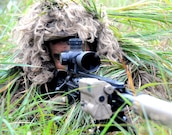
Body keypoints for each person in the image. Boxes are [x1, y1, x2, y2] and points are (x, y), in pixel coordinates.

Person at [1, 0, 134, 134]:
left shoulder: (125, 76)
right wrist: (50, 108)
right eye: (60, 58)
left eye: (82, 55)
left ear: (94, 49)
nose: (70, 64)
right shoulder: (23, 87)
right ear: (46, 58)